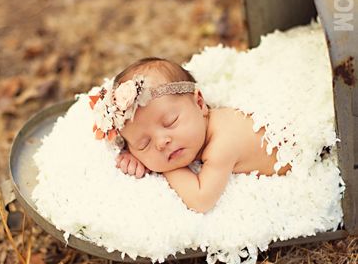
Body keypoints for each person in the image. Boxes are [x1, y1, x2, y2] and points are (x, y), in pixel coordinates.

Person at [89, 57, 291, 213]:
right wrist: (135, 155)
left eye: (170, 122)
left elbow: (201, 200)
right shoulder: (198, 131)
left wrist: (164, 168)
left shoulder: (223, 143)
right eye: (144, 143)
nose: (161, 143)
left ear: (200, 103)